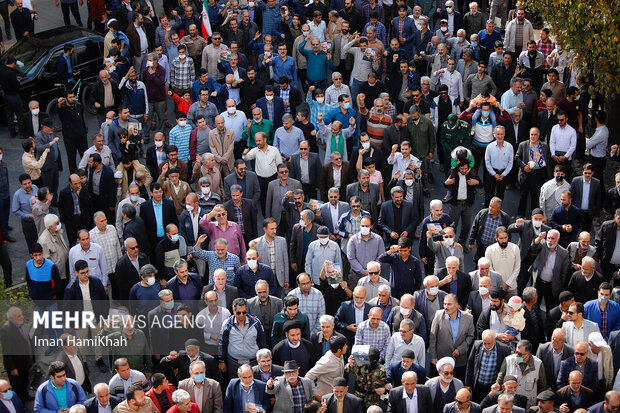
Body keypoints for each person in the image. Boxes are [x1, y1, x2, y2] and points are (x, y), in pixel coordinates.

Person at [465, 330, 512, 403]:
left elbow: (506, 369)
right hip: (477, 386)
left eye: (489, 343)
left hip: (492, 387)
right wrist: (468, 383)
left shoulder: (504, 349)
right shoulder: (477, 345)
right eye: (485, 343)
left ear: (495, 339)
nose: (487, 346)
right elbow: (470, 364)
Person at [497, 340, 546, 407]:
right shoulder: (508, 360)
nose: (516, 355)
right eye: (516, 352)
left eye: (520, 354)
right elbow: (499, 381)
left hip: (529, 404)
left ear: (528, 354)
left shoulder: (538, 363)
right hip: (510, 402)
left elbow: (542, 386)